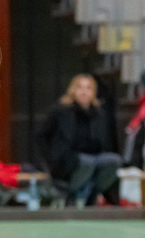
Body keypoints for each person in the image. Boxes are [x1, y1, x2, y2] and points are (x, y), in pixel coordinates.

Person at [37, 74, 121, 207]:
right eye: (80, 87)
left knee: (113, 161)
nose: (84, 91)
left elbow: (105, 142)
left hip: (93, 157)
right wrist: (50, 160)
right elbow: (41, 136)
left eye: (88, 88)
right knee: (87, 163)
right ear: (73, 90)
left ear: (93, 92)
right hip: (67, 159)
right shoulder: (60, 111)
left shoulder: (99, 114)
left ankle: (93, 194)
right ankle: (69, 193)